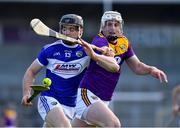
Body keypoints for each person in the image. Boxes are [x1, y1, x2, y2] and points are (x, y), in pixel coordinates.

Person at [72, 11, 168, 127]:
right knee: (113, 124)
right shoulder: (99, 41)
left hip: (103, 99)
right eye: (108, 24)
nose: (112, 28)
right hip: (87, 95)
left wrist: (151, 69)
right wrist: (105, 54)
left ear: (120, 27)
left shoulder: (124, 43)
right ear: (103, 27)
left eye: (116, 24)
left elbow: (137, 66)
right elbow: (112, 67)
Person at [21, 14, 119, 127]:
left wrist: (96, 56)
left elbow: (114, 67)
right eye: (64, 28)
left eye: (71, 29)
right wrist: (26, 93)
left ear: (80, 31)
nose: (66, 32)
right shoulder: (49, 50)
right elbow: (31, 72)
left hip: (71, 105)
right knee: (64, 126)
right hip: (49, 98)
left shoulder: (87, 50)